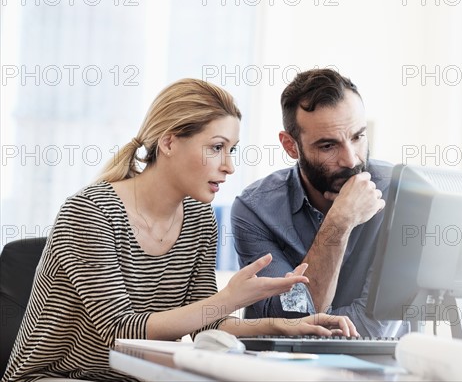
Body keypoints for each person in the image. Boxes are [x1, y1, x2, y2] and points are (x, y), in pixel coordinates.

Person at [2, 78, 357, 382]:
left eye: (231, 150)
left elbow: (206, 325)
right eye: (216, 148)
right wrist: (230, 297)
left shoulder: (200, 220)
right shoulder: (89, 212)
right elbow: (119, 331)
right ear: (169, 142)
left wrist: (283, 327)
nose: (229, 166)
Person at [231, 69, 408, 337]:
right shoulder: (255, 209)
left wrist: (296, 326)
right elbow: (295, 317)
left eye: (358, 137)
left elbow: (376, 327)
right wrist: (339, 221)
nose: (350, 160)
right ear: (291, 146)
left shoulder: (400, 192)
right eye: (328, 146)